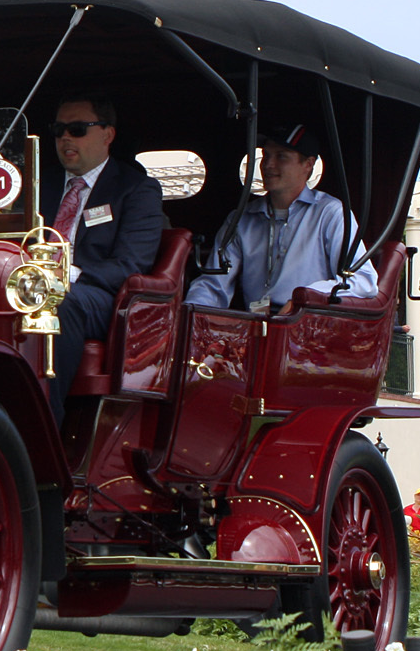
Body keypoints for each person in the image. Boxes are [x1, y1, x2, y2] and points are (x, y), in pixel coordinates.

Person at [36, 94, 166, 422]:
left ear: (107, 135)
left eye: (77, 129)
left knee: (61, 303)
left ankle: (42, 425)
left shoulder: (136, 189)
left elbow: (130, 265)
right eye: (59, 129)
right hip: (30, 285)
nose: (65, 137)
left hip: (99, 295)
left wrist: (66, 276)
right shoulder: (38, 183)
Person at [185, 123, 379, 314]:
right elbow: (214, 285)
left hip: (306, 329)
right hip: (254, 327)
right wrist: (190, 316)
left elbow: (363, 281)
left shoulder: (330, 213)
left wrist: (304, 298)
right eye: (266, 155)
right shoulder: (240, 219)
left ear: (308, 165)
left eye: (281, 157)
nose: (268, 164)